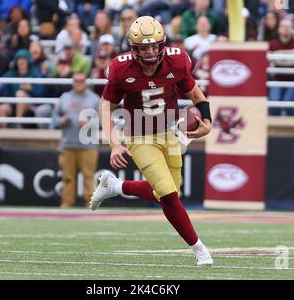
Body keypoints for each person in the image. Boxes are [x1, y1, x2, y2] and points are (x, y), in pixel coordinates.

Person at [91, 16, 214, 267]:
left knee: (168, 194)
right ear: (133, 49)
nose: (150, 52)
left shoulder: (177, 60)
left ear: (162, 44)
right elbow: (106, 105)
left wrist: (208, 122)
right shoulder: (121, 69)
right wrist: (114, 142)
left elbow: (194, 93)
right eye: (144, 48)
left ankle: (115, 187)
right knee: (168, 195)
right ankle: (199, 249)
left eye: (154, 46)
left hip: (169, 133)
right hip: (139, 135)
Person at [54, 71, 100, 207]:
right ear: (72, 82)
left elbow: (104, 120)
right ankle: (67, 203)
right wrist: (60, 120)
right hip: (68, 143)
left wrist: (91, 122)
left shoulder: (94, 99)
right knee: (68, 177)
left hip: (88, 145)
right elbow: (54, 118)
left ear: (85, 82)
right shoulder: (64, 98)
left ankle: (90, 203)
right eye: (76, 81)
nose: (78, 83)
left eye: (81, 81)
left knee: (89, 177)